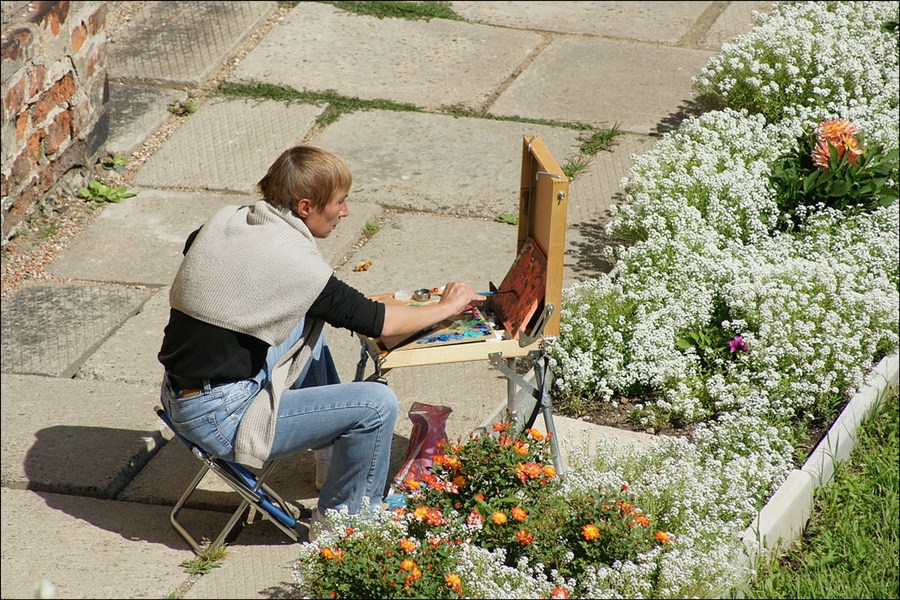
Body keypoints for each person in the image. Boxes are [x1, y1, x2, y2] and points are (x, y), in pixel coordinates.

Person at [157, 145, 484, 537]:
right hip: (221, 418)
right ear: (306, 206)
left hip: (181, 392)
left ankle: (331, 458)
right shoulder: (293, 263)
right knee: (376, 406)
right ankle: (345, 528)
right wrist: (447, 307)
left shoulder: (229, 221)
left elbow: (196, 247)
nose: (345, 212)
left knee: (304, 320)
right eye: (340, 202)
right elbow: (377, 323)